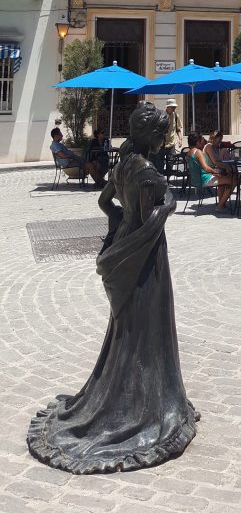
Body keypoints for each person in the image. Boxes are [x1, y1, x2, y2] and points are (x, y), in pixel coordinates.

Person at [29, 102, 199, 472]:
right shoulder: (149, 173)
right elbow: (147, 221)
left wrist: (118, 225)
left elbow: (106, 201)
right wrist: (167, 205)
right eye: (162, 134)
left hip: (124, 246)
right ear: (152, 137)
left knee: (127, 327)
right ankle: (145, 405)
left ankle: (128, 391)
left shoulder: (123, 164)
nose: (164, 139)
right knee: (145, 326)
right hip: (145, 256)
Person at [184, 132, 234, 212]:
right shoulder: (198, 152)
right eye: (201, 141)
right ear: (197, 142)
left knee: (222, 182)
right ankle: (220, 206)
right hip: (204, 179)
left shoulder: (189, 153)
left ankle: (222, 204)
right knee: (232, 181)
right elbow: (206, 168)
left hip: (195, 180)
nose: (203, 143)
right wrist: (215, 172)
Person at [153, 99, 183, 174]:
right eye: (172, 107)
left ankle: (168, 180)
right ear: (167, 107)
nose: (174, 108)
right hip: (161, 145)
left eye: (174, 107)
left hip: (171, 143)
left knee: (171, 162)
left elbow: (178, 129)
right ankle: (160, 181)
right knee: (159, 166)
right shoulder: (161, 115)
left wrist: (180, 139)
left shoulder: (176, 115)